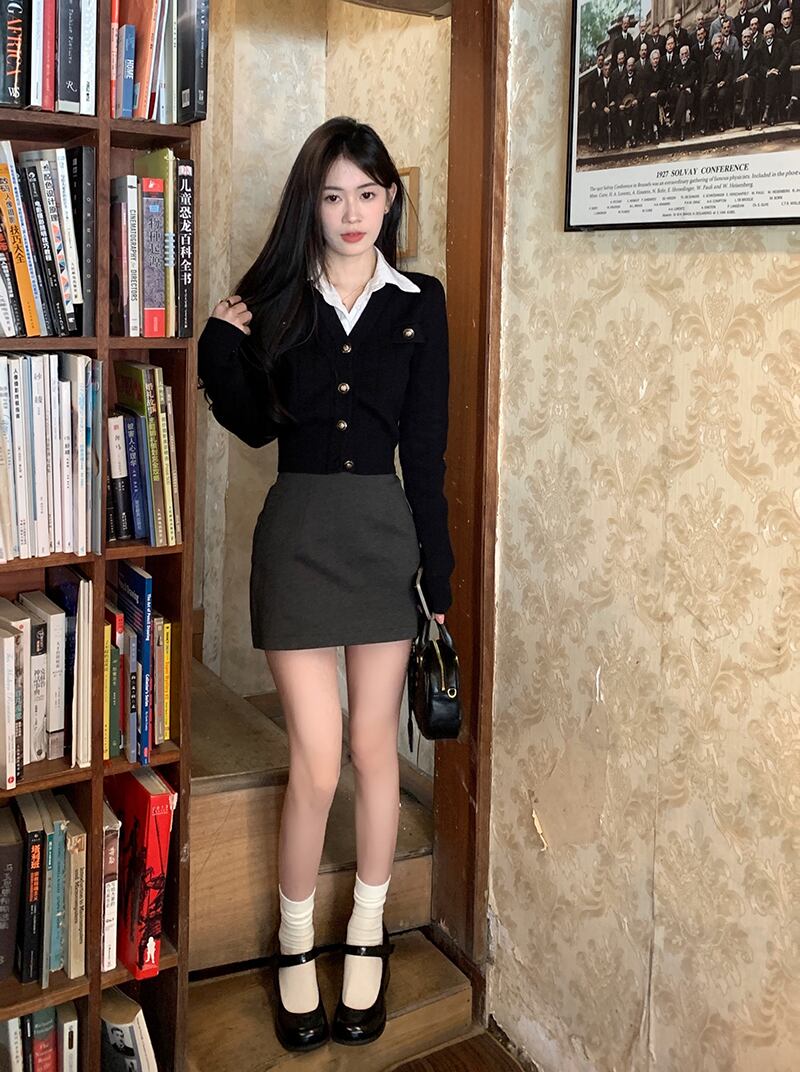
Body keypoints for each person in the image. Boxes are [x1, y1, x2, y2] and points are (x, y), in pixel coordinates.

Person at [197, 116, 455, 1052]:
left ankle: (368, 930)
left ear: (390, 200)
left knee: (374, 748)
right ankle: (294, 938)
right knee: (316, 760)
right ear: (312, 203)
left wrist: (438, 574)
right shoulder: (277, 299)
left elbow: (424, 450)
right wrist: (217, 349)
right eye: (335, 194)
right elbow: (256, 426)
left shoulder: (420, 302)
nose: (353, 213)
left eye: (369, 194)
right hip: (298, 542)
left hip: (385, 543)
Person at [701, 33, 734, 130]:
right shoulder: (708, 59)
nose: (717, 46)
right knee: (703, 97)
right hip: (710, 85)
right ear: (712, 45)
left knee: (721, 96)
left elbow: (730, 73)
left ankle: (721, 123)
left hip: (722, 85)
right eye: (715, 44)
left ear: (722, 44)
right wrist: (703, 88)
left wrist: (724, 81)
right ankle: (703, 125)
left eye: (719, 43)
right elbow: (704, 76)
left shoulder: (727, 57)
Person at [759, 21, 787, 120]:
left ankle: (767, 108)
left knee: (772, 80)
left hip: (780, 75)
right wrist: (768, 71)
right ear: (763, 34)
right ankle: (771, 113)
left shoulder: (780, 43)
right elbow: (759, 64)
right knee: (771, 80)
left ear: (774, 32)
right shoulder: (761, 46)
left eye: (770, 32)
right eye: (766, 33)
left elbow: (785, 58)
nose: (768, 35)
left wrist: (778, 69)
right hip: (767, 76)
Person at [733, 26, 761, 126]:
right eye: (744, 37)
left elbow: (756, 67)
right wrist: (736, 78)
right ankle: (745, 113)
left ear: (751, 38)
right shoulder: (737, 53)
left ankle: (746, 112)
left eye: (748, 37)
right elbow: (734, 69)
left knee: (749, 81)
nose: (746, 39)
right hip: (738, 83)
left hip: (751, 81)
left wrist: (746, 75)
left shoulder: (755, 52)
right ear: (741, 38)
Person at [671, 44, 699, 138]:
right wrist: (683, 88)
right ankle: (681, 127)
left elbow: (692, 79)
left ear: (689, 55)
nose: (684, 56)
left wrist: (683, 86)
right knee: (682, 96)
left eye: (685, 54)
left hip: (691, 94)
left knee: (683, 95)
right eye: (682, 54)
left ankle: (676, 121)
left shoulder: (693, 64)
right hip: (681, 94)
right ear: (679, 56)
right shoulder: (677, 67)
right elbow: (675, 81)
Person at [643, 48, 669, 141]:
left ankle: (654, 129)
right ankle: (656, 127)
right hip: (650, 96)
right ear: (651, 60)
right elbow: (644, 87)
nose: (655, 61)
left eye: (657, 58)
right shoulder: (646, 72)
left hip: (660, 95)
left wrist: (658, 93)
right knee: (652, 103)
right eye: (654, 59)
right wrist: (651, 94)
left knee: (657, 100)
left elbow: (665, 85)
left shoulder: (663, 70)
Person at [617, 55, 643, 145]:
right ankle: (629, 136)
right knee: (621, 114)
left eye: (632, 66)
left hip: (634, 104)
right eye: (629, 66)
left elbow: (641, 91)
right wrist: (620, 104)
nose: (630, 68)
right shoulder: (622, 79)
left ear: (634, 66)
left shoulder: (638, 77)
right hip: (625, 106)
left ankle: (633, 136)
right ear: (626, 66)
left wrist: (637, 100)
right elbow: (618, 95)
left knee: (637, 110)